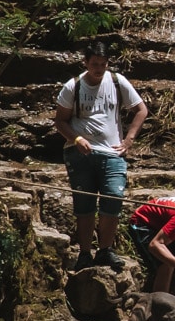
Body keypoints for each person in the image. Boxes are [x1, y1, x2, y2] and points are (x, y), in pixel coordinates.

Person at [53, 41, 148, 272]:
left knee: (113, 197)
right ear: (85, 63)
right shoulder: (72, 86)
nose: (99, 68)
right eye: (94, 64)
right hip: (79, 153)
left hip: (112, 152)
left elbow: (141, 110)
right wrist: (76, 139)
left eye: (103, 64)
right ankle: (85, 253)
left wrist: (129, 140)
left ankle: (105, 250)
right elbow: (60, 121)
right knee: (84, 204)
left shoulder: (117, 82)